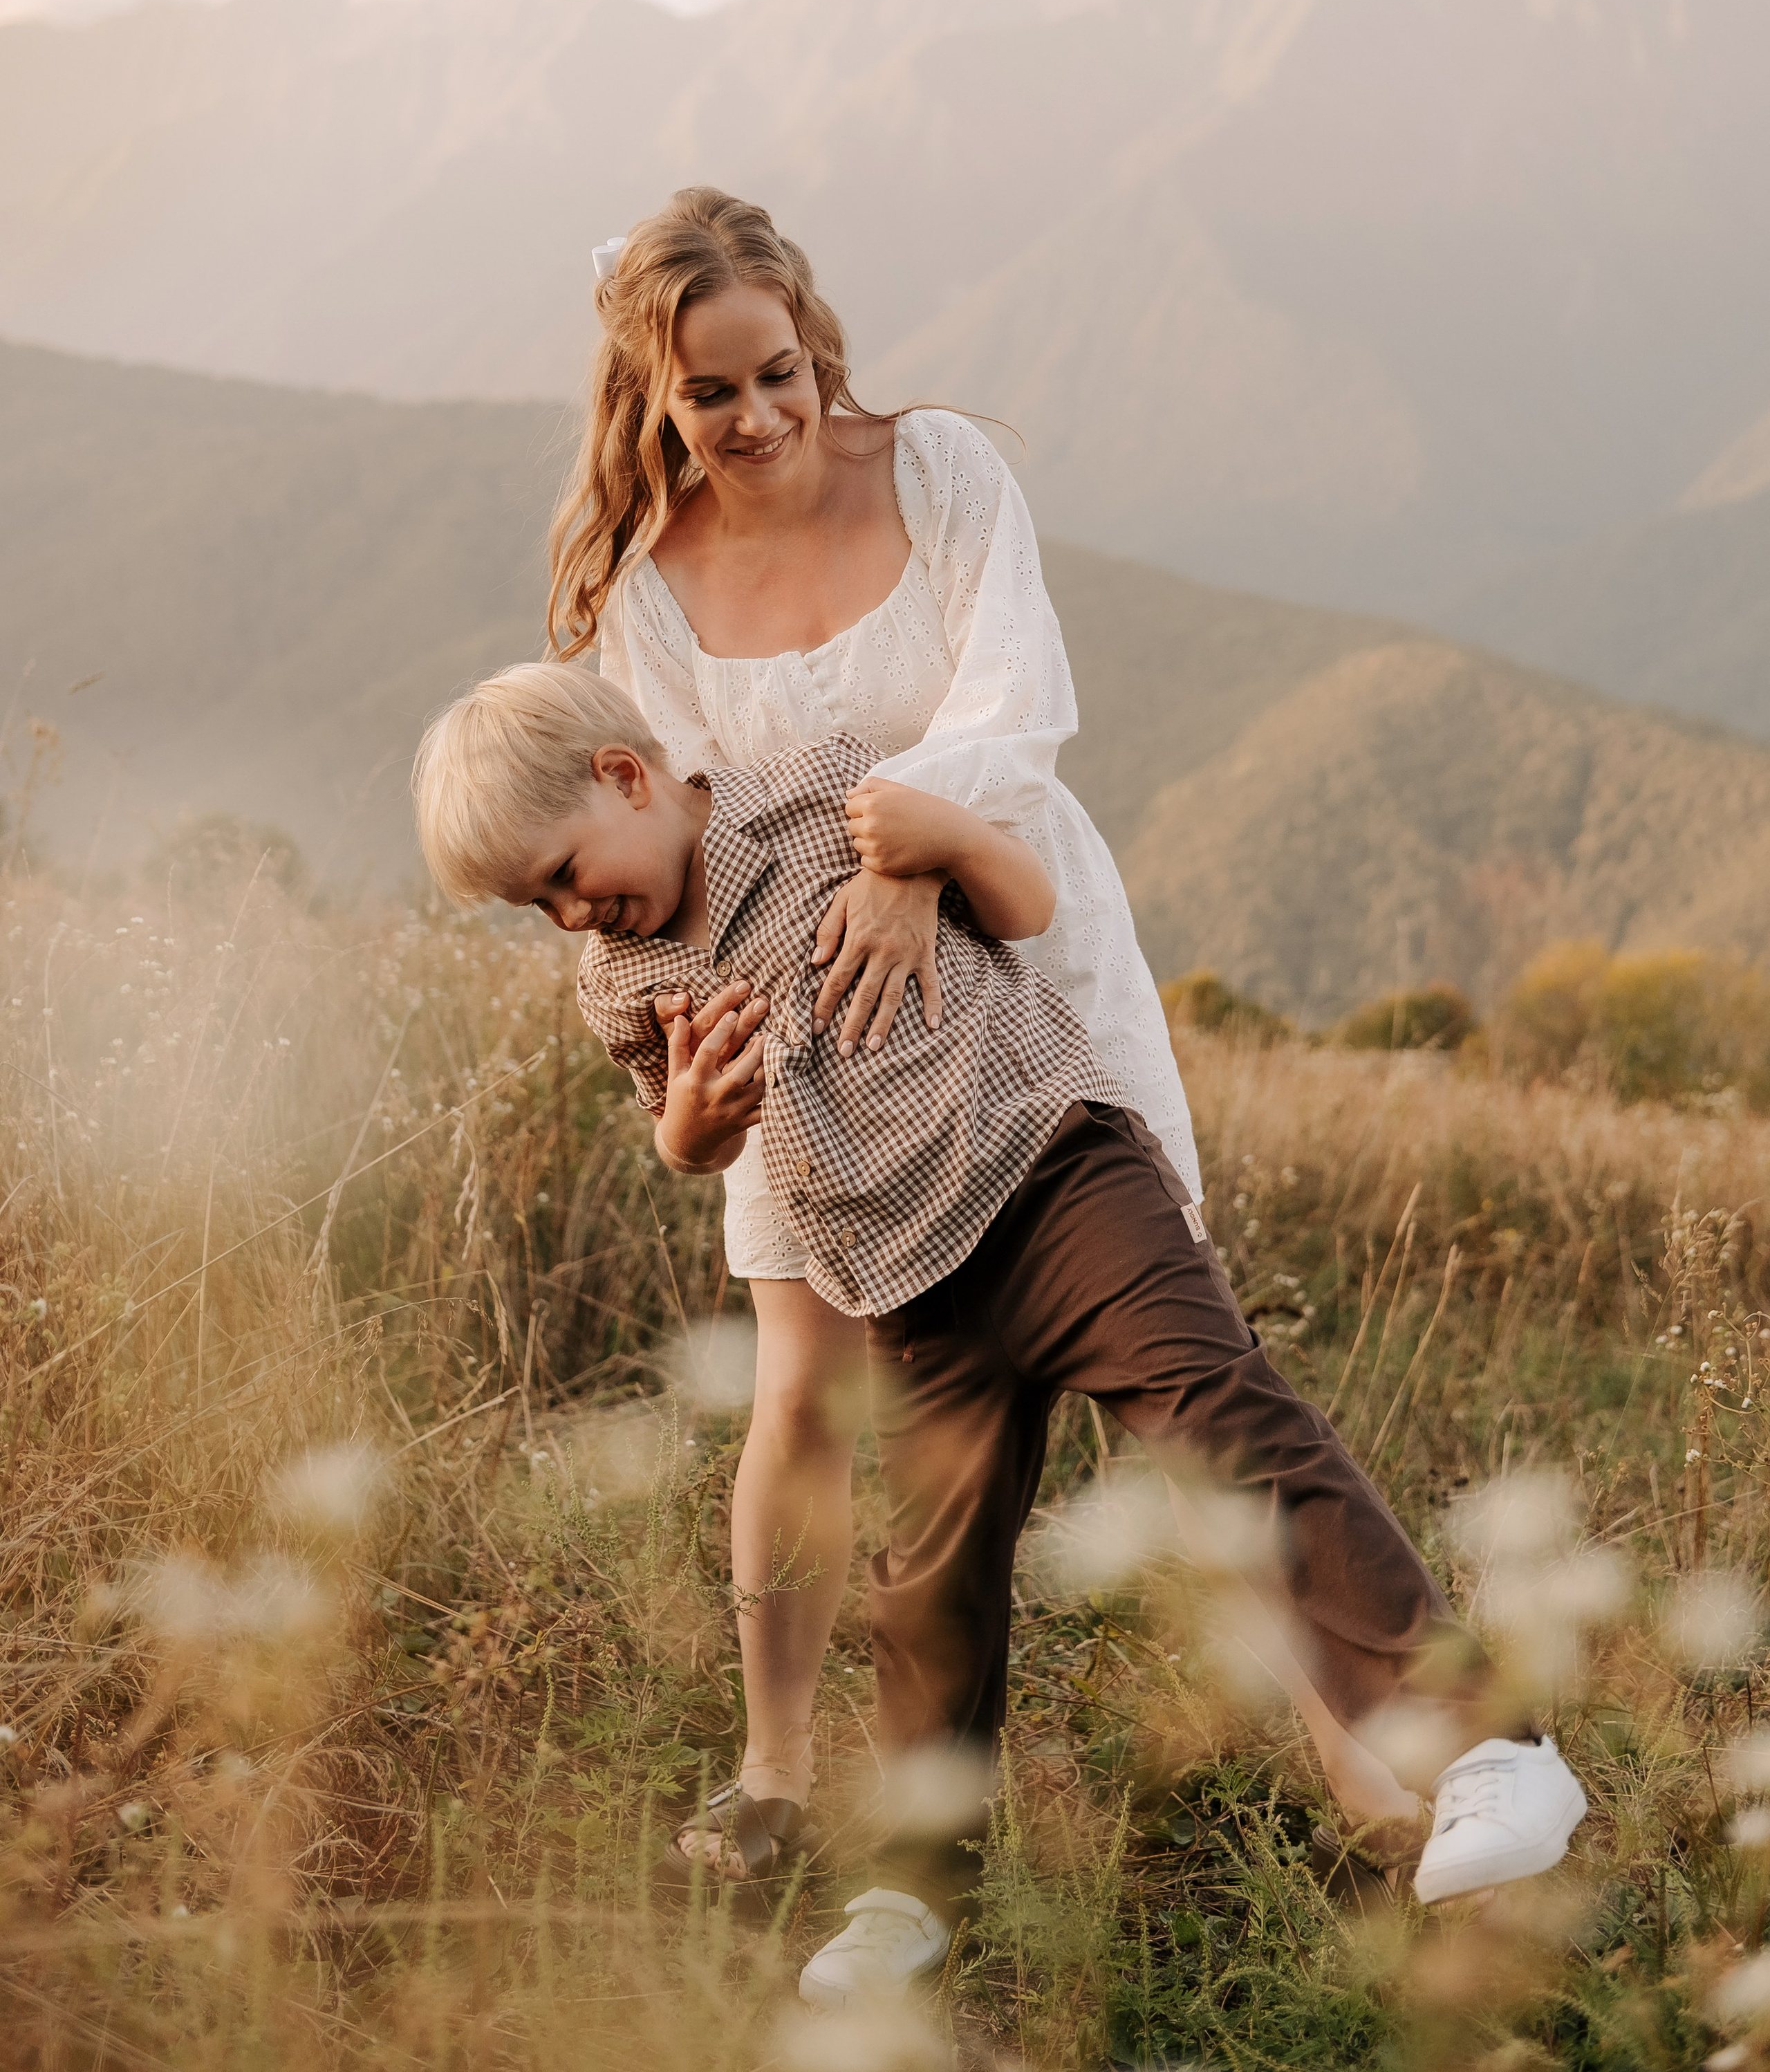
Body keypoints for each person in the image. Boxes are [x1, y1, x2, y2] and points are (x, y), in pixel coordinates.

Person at [411, 669, 1590, 2014]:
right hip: (904, 1275)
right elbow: (684, 1138)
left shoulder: (821, 795)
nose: (568, 912)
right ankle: (912, 1889)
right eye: (535, 906)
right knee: (931, 1576)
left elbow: (1023, 907)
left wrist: (946, 842)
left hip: (1053, 1173)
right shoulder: (621, 978)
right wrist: (692, 1118)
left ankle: (1485, 1746)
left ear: (623, 776)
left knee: (1221, 1419)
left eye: (564, 872)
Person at [543, 185, 1219, 1891]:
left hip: (1012, 933)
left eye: (774, 371)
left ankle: (1343, 1735)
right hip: (806, 1017)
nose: (755, 417)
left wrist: (910, 856)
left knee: (1149, 1329)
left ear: (808, 333)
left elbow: (1019, 697)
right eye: (709, 395)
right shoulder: (646, 594)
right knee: (798, 1387)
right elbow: (688, 835)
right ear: (652, 395)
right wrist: (709, 1084)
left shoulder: (938, 473)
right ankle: (779, 1775)